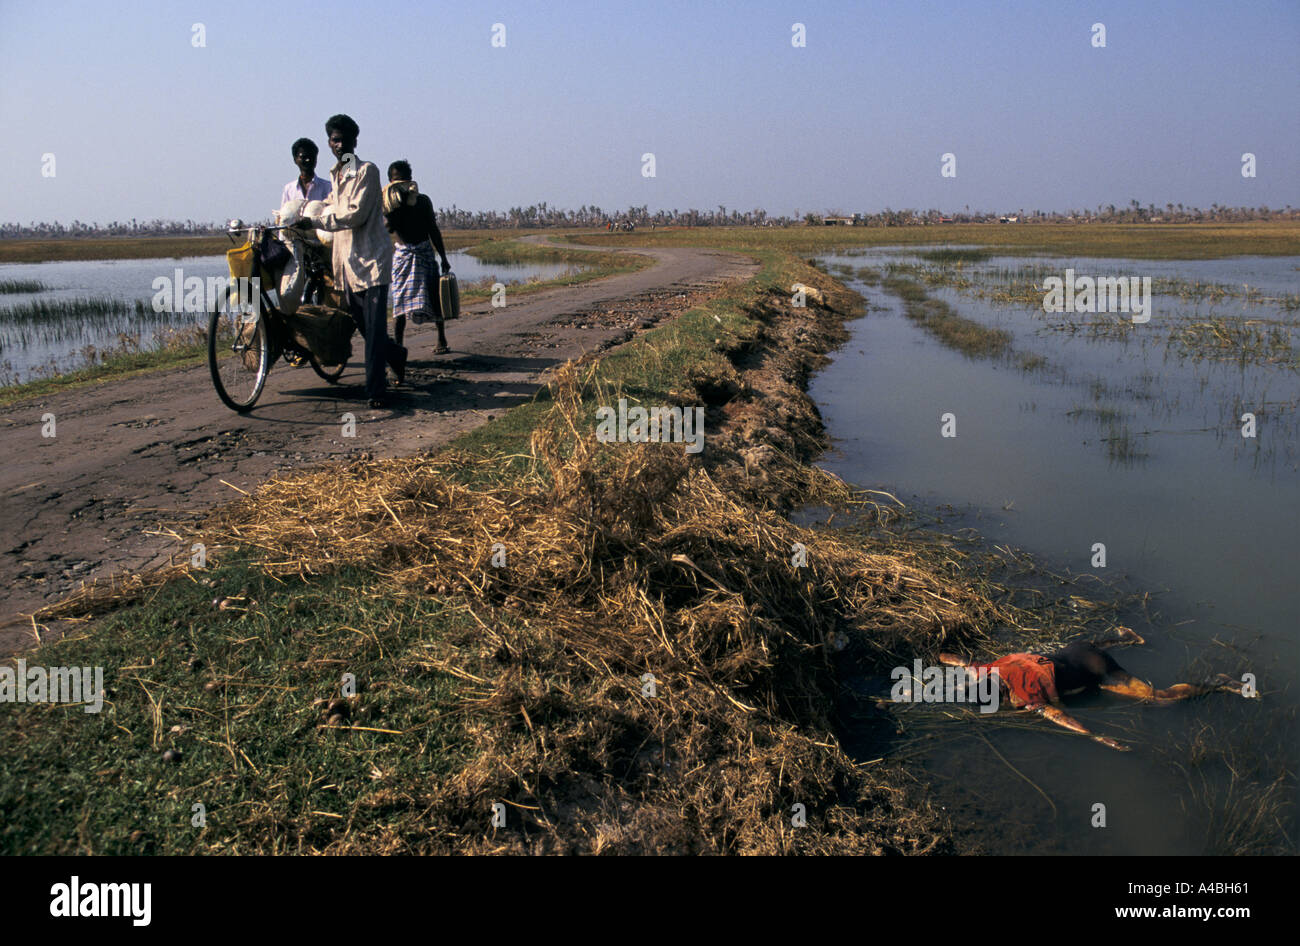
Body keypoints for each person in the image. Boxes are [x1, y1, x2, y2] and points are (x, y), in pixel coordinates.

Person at [939, 628, 1252, 751]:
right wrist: (943, 656)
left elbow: (1059, 718)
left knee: (1157, 699)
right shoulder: (991, 669)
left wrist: (1095, 736)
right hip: (1075, 648)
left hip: (1097, 669)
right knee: (1075, 650)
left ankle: (1219, 682)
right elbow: (964, 663)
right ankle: (1118, 636)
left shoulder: (1025, 696)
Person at [299, 114, 405, 409]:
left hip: (372, 264)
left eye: (345, 139)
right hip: (347, 266)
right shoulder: (335, 175)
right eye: (335, 139)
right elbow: (332, 209)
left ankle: (376, 392)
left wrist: (317, 219)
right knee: (367, 329)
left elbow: (355, 214)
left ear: (355, 141)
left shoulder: (367, 172)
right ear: (329, 143)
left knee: (373, 333)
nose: (340, 144)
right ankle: (397, 356)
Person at [382, 160, 452, 354]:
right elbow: (388, 228)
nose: (402, 183)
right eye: (398, 180)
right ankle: (398, 345)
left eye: (405, 179)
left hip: (424, 253)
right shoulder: (389, 204)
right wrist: (398, 206)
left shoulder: (422, 201)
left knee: (434, 297)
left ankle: (441, 338)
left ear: (411, 180)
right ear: (390, 182)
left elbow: (433, 229)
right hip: (403, 255)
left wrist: (444, 257)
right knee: (399, 302)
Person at [281, 138, 332, 206]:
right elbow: (284, 215)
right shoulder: (289, 189)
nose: (308, 160)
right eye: (303, 157)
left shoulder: (328, 187)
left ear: (316, 159)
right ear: (295, 160)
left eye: (311, 157)